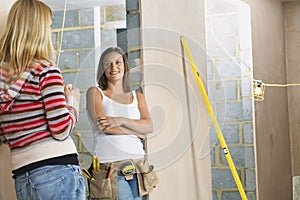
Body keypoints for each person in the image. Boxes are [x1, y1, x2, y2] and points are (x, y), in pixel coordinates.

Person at [0, 0, 85, 199]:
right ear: (39, 30)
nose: (51, 31)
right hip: (58, 169)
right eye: (48, 26)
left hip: (23, 175)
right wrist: (72, 101)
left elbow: (4, 136)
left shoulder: (3, 79)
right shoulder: (46, 71)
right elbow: (61, 129)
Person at [86, 47, 153, 200]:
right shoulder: (95, 93)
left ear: (125, 66)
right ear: (102, 69)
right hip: (110, 168)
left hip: (138, 167)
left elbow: (148, 126)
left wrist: (119, 120)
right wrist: (136, 131)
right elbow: (103, 126)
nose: (113, 67)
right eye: (108, 63)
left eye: (118, 62)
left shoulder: (138, 96)